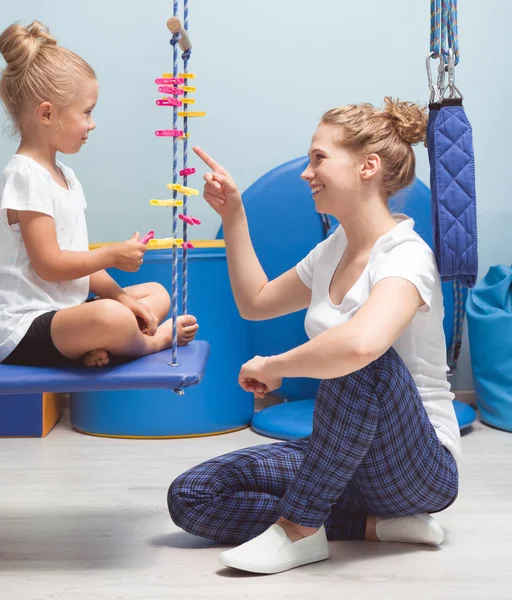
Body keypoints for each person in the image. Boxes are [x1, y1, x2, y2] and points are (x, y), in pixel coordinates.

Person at [167, 98, 461, 574]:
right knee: (193, 495)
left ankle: (298, 530)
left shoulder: (406, 256)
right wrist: (234, 216)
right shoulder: (335, 248)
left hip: (417, 466)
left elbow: (361, 346)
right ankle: (372, 527)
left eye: (319, 158)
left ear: (368, 166)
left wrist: (274, 365)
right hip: (343, 453)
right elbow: (256, 301)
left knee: (362, 356)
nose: (307, 172)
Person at [0, 21, 198, 368]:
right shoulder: (24, 176)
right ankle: (150, 341)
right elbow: (51, 265)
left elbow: (77, 263)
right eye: (86, 112)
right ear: (48, 114)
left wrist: (124, 297)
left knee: (153, 295)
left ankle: (102, 343)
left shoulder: (64, 176)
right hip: (25, 327)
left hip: (65, 315)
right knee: (110, 317)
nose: (92, 123)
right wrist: (111, 255)